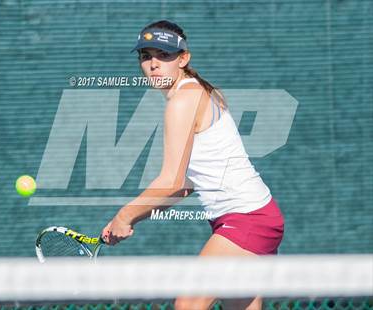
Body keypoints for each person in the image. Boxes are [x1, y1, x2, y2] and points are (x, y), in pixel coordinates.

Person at [101, 20, 284, 310]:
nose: (153, 64)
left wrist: (124, 215)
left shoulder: (184, 99)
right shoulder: (194, 92)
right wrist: (134, 216)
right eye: (146, 56)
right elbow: (185, 185)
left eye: (164, 55)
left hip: (246, 220)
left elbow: (172, 182)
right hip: (254, 217)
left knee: (188, 305)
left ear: (183, 58)